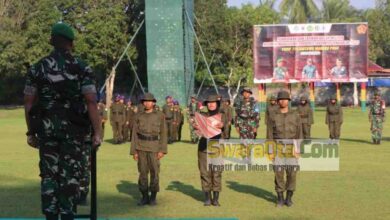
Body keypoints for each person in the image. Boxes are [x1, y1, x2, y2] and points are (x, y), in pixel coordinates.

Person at [24, 22, 101, 220]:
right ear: (71, 43)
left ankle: (50, 215)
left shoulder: (37, 68)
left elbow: (29, 103)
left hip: (47, 131)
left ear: (51, 41)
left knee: (49, 175)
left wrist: (31, 132)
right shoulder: (82, 67)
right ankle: (67, 215)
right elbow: (91, 102)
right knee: (70, 177)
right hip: (74, 132)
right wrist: (97, 133)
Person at [130, 93, 167, 206]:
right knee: (142, 173)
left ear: (154, 102)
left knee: (155, 173)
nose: (147, 103)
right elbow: (134, 135)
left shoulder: (160, 115)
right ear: (143, 103)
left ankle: (153, 197)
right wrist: (134, 151)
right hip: (141, 147)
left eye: (150, 101)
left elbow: (164, 133)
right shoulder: (138, 116)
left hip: (154, 148)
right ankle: (144, 196)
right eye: (145, 101)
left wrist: (162, 150)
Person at [267, 90, 302, 208]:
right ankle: (280, 199)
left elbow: (299, 133)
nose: (283, 101)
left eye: (285, 99)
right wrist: (270, 151)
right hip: (278, 147)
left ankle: (289, 198)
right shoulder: (273, 116)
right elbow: (270, 135)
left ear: (288, 101)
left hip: (292, 147)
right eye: (280, 99)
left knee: (292, 173)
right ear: (277, 101)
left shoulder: (295, 115)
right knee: (278, 173)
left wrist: (298, 149)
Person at [192, 94, 227, 206]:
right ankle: (207, 198)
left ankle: (216, 199)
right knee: (204, 173)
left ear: (217, 104)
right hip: (203, 148)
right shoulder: (202, 116)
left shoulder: (222, 116)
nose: (211, 104)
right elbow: (196, 128)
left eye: (213, 102)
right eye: (209, 103)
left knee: (217, 173)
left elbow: (225, 127)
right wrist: (195, 126)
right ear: (206, 105)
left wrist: (222, 125)